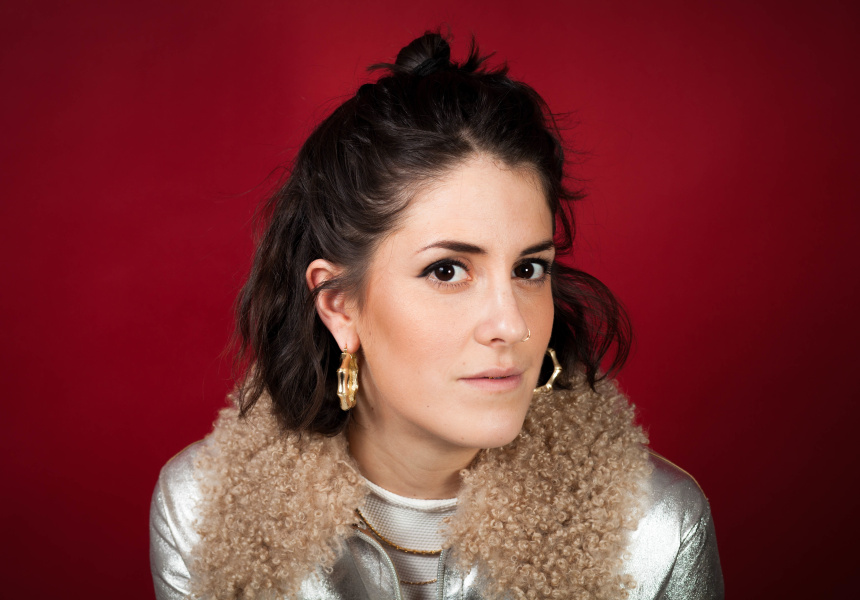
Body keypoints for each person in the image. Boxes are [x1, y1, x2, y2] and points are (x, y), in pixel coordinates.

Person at [150, 31, 724, 600]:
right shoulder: (207, 515)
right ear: (340, 306)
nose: (512, 325)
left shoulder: (654, 531)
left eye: (529, 269)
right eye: (447, 271)